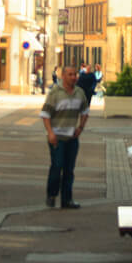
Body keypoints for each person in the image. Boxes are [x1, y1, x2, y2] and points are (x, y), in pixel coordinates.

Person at [41, 65, 90, 209]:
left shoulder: (80, 92)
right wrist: (50, 133)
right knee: (57, 167)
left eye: (75, 74)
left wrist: (80, 127)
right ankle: (51, 195)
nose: (73, 77)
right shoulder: (55, 92)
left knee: (69, 169)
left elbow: (85, 111)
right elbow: (45, 114)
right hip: (57, 137)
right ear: (63, 76)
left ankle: (67, 200)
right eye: (70, 74)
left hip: (72, 138)